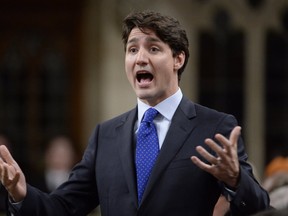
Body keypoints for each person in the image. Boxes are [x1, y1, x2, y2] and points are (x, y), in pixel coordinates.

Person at [0, 10, 270, 216]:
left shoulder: (214, 127)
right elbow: (61, 207)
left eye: (153, 48)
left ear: (178, 59)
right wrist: (21, 192)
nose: (140, 58)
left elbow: (259, 205)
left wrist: (235, 179)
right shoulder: (105, 135)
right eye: (132, 49)